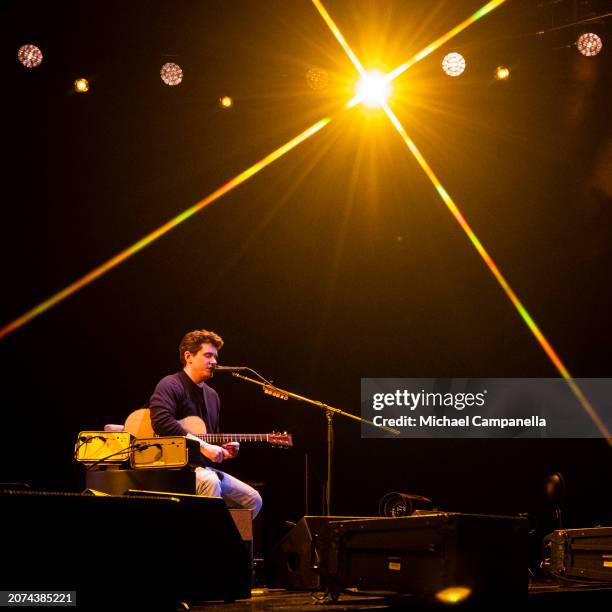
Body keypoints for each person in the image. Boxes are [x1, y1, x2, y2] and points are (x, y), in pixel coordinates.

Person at [148, 329, 262, 518]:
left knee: (253, 499)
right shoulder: (170, 384)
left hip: (201, 468)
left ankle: (227, 543)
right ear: (188, 356)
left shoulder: (212, 396)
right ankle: (208, 544)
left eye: (215, 356)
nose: (215, 362)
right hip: (173, 467)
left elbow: (210, 439)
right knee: (210, 482)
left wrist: (223, 449)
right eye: (208, 355)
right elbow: (161, 421)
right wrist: (202, 445)